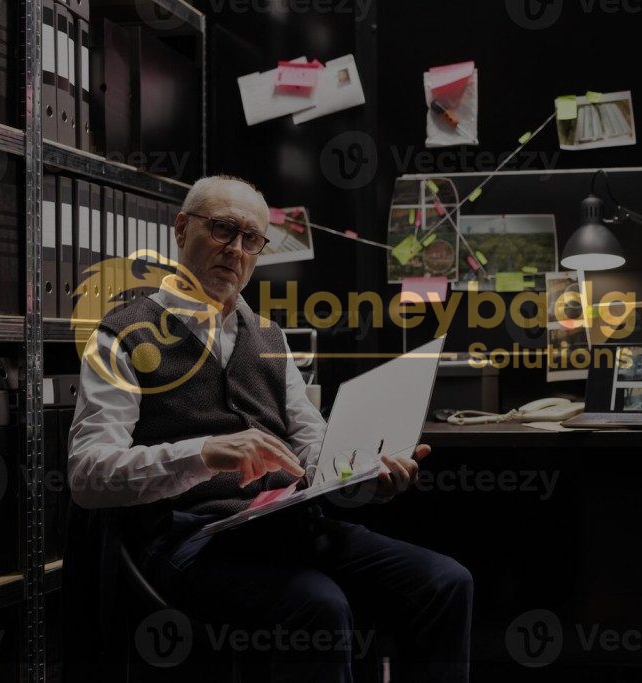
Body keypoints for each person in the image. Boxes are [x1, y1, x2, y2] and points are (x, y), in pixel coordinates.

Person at [67, 174, 473, 681]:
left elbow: (314, 446)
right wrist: (206, 452)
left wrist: (365, 476)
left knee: (444, 582)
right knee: (318, 606)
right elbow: (86, 475)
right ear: (180, 229)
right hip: (187, 541)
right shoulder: (120, 336)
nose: (235, 250)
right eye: (220, 229)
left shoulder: (269, 337)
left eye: (250, 239)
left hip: (284, 527)